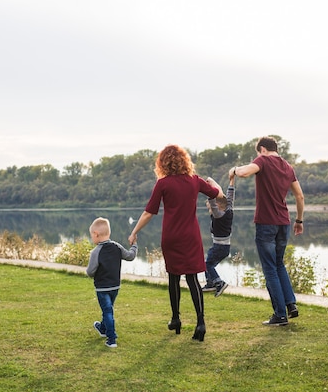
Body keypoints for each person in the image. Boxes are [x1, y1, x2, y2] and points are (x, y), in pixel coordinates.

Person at [128, 144, 221, 342]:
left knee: (173, 278)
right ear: (184, 161)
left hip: (171, 237)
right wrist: (219, 186)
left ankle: (176, 319)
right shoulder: (195, 181)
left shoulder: (163, 184)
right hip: (191, 237)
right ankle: (200, 322)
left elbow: (149, 212)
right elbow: (217, 195)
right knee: (193, 279)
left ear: (163, 163)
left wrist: (134, 231)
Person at [230, 136, 305, 326]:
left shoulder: (262, 160)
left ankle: (280, 315)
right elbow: (300, 196)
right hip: (284, 222)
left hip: (266, 223)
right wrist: (299, 220)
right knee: (279, 264)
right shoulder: (288, 167)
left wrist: (234, 170)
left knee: (270, 269)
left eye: (258, 153)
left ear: (262, 149)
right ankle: (290, 304)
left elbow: (245, 173)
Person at [86, 216, 138, 348]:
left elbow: (90, 271)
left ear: (96, 234)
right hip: (115, 286)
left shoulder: (95, 252)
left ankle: (111, 339)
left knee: (107, 311)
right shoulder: (117, 246)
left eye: (91, 235)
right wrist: (134, 245)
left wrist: (93, 272)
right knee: (107, 309)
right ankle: (102, 328)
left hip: (102, 288)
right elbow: (130, 256)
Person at [201, 175, 235, 297]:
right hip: (225, 247)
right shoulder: (229, 210)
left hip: (219, 247)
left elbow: (213, 204)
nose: (210, 210)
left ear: (217, 206)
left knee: (207, 264)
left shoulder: (219, 215)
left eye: (209, 208)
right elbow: (229, 197)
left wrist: (210, 191)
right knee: (208, 263)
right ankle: (210, 283)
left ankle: (218, 282)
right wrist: (231, 181)